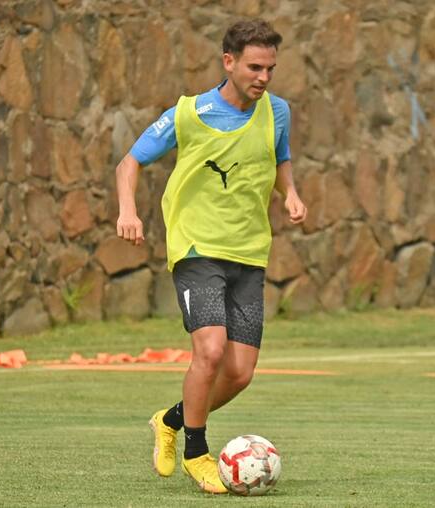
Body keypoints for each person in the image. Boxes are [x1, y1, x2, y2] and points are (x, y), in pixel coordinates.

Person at [115, 18, 306, 494]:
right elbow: (129, 162)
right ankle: (196, 454)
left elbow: (280, 157)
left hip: (250, 252)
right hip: (197, 248)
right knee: (211, 350)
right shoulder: (189, 113)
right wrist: (128, 212)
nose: (264, 77)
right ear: (228, 62)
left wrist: (290, 192)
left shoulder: (277, 111)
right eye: (255, 67)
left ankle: (170, 420)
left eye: (270, 68)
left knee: (239, 373)